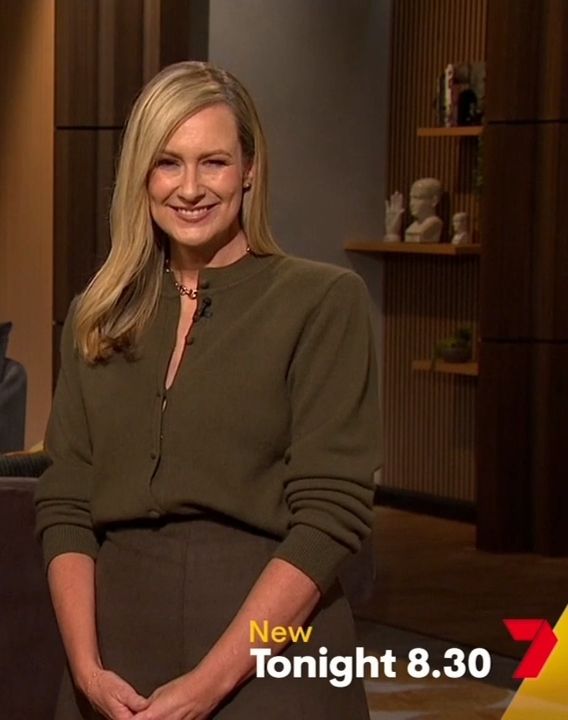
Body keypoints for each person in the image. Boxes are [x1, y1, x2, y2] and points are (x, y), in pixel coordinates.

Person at [35, 61, 380, 720]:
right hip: (114, 663)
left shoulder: (322, 302)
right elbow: (66, 501)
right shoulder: (97, 316)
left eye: (214, 162)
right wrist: (85, 669)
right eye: (168, 163)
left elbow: (330, 517)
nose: (190, 188)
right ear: (142, 175)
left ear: (249, 169)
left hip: (271, 656)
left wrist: (208, 685)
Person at [404, 177, 443, 243]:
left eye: (417, 198)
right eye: (411, 198)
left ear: (434, 201)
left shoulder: (434, 224)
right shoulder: (413, 226)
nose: (411, 203)